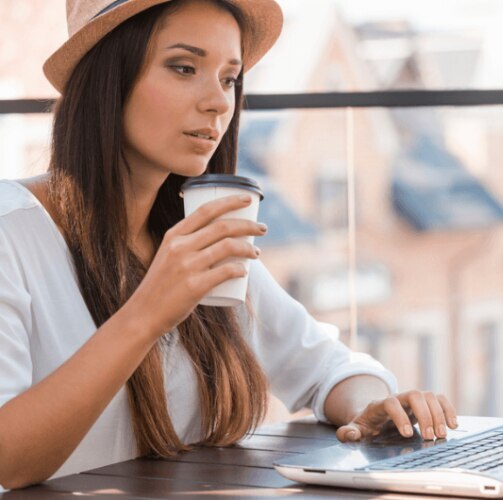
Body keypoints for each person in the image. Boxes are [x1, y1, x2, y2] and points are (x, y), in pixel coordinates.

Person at [0, 0, 458, 489]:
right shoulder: (12, 232)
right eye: (183, 67)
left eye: (229, 78)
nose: (218, 102)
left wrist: (372, 408)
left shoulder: (194, 231)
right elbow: (9, 460)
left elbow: (326, 365)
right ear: (107, 80)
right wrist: (147, 313)